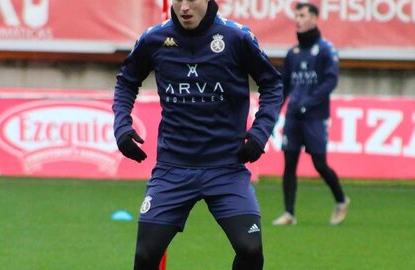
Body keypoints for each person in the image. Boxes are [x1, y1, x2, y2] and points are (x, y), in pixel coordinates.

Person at [112, 0, 283, 269]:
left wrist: (260, 133)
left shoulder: (237, 37)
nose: (184, 7)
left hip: (226, 168)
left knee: (250, 249)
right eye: (178, 0)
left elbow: (272, 84)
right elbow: (126, 82)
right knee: (145, 256)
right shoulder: (154, 39)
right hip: (172, 168)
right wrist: (122, 126)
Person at [272, 2, 350, 226]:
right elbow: (284, 85)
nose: (298, 19)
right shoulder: (293, 53)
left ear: (315, 19)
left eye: (303, 15)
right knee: (289, 162)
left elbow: (331, 80)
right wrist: (275, 110)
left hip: (315, 116)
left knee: (319, 163)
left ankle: (341, 200)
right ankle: (289, 213)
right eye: (296, 15)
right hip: (294, 116)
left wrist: (308, 102)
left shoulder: (326, 49)